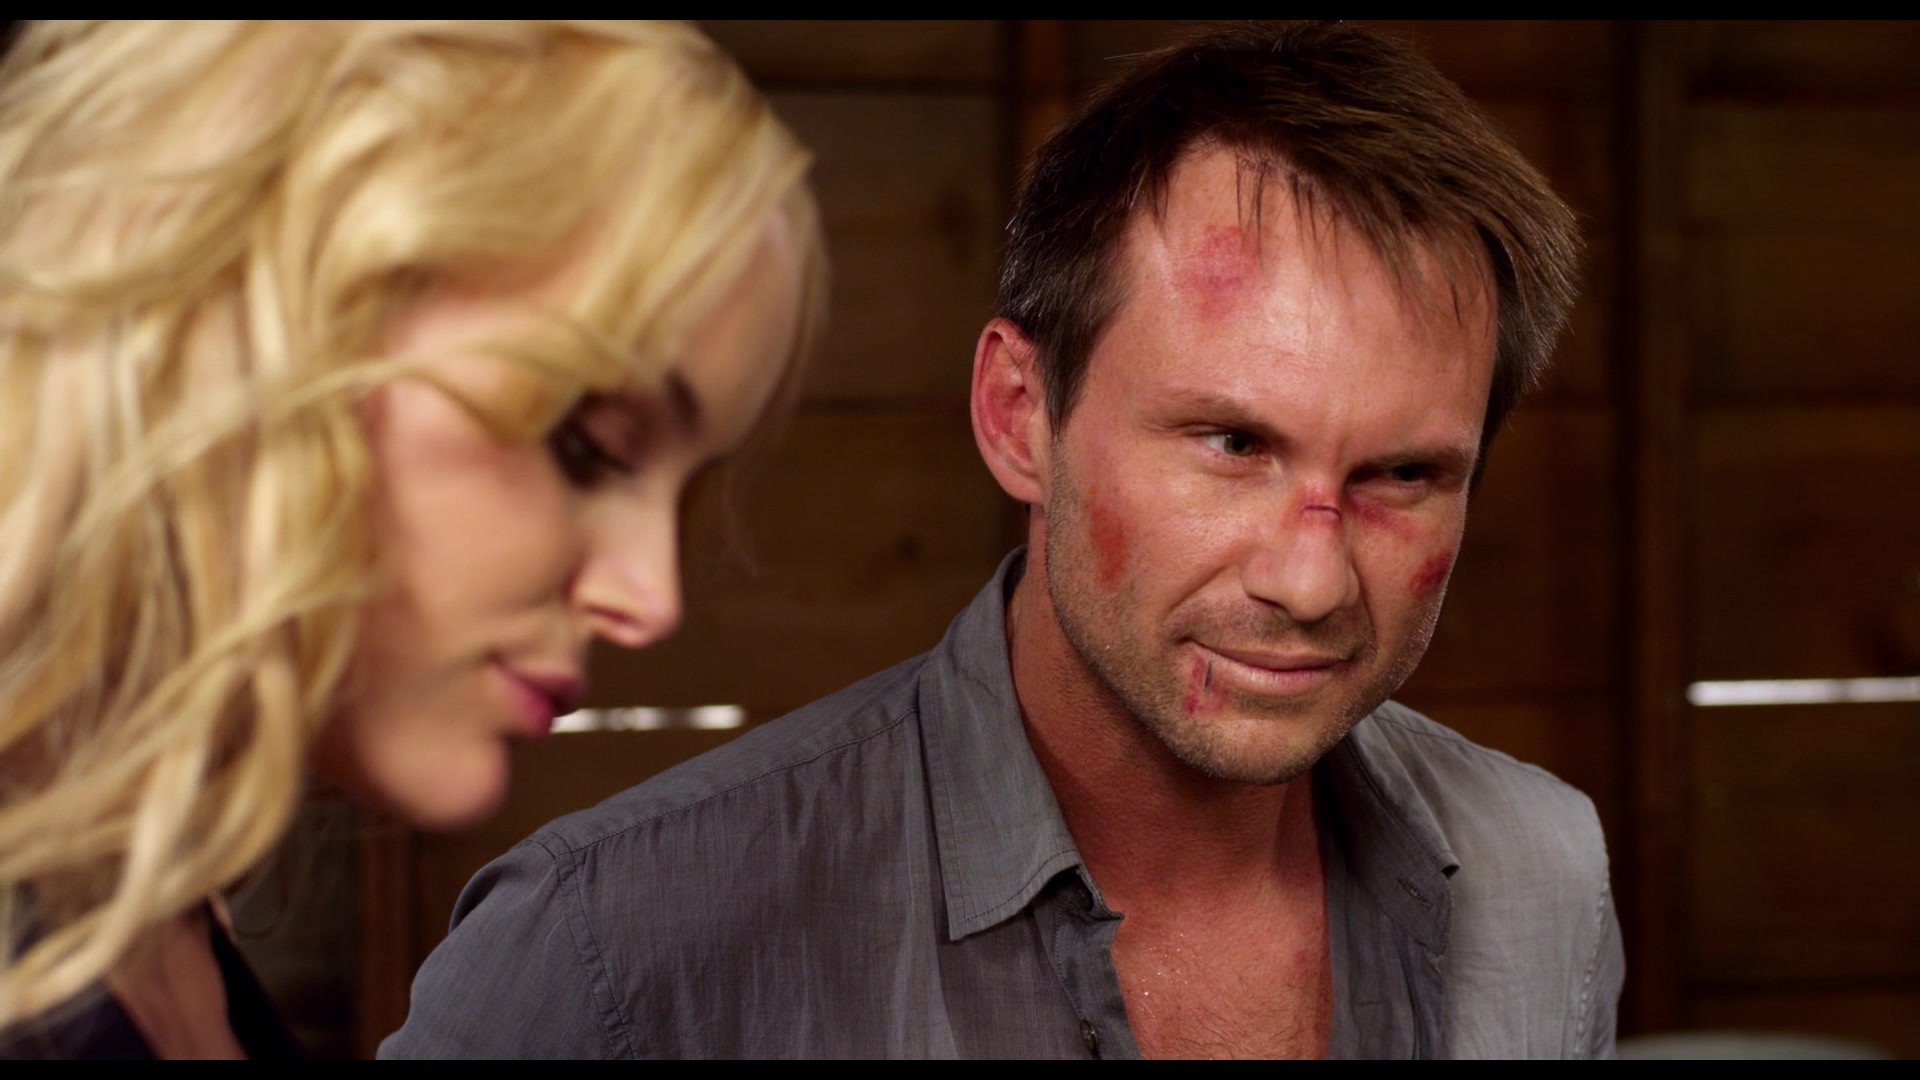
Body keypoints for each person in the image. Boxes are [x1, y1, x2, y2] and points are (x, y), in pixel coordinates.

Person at [382, 21, 1621, 1059]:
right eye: (1232, 444)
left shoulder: (1539, 872)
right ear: (1020, 415)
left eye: (1403, 474)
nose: (1310, 578)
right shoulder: (612, 950)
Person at [0, 20, 823, 1058]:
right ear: (274, 325)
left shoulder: (149, 918)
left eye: (683, 490)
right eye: (590, 446)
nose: (652, 597)